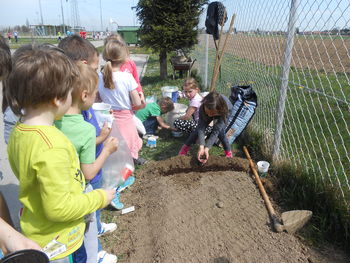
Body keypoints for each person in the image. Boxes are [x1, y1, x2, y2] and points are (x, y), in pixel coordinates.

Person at [6, 45, 116, 262]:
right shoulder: (52, 145)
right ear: (58, 98)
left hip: (36, 227)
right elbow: (59, 208)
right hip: (56, 242)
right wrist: (99, 197)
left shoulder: (20, 131)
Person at [58, 35, 118, 262]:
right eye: (94, 95)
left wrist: (100, 136)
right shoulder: (80, 126)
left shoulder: (62, 119)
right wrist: (107, 149)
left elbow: (81, 143)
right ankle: (92, 255)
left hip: (82, 176)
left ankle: (97, 232)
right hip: (87, 179)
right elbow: (88, 172)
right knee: (86, 226)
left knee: (91, 221)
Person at [99, 39, 145, 165]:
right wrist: (141, 100)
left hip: (107, 117)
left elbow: (97, 99)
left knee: (113, 142)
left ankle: (114, 164)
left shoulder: (99, 76)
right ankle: (129, 164)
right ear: (124, 58)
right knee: (128, 142)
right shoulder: (127, 77)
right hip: (125, 118)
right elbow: (136, 103)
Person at [178, 92, 233, 163]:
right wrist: (201, 146)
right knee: (198, 129)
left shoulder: (224, 111)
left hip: (223, 112)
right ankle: (184, 149)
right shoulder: (203, 107)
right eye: (208, 112)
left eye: (212, 114)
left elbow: (215, 132)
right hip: (214, 110)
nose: (210, 116)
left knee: (220, 132)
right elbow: (201, 129)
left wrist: (206, 149)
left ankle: (228, 153)